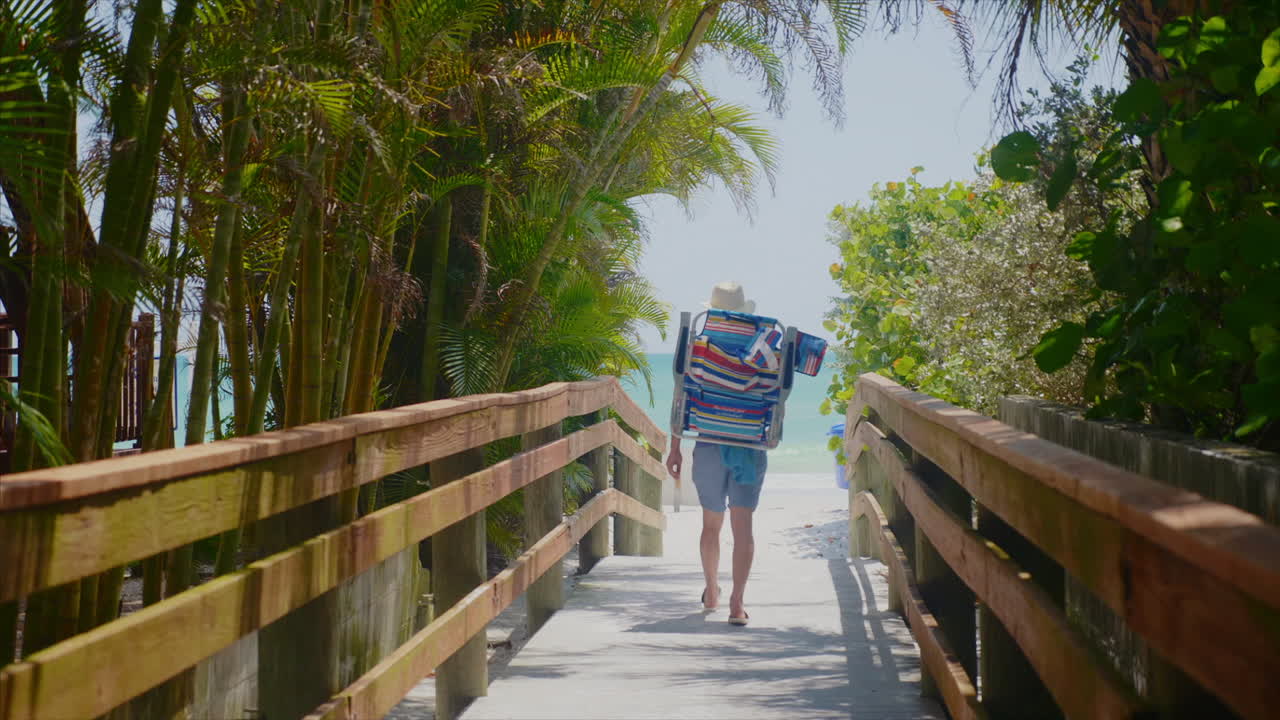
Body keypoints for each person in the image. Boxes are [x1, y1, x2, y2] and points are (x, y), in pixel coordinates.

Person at [665, 281, 768, 626]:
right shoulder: (762, 344)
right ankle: (737, 604)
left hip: (708, 442)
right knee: (744, 528)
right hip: (749, 445)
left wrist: (675, 446)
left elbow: (682, 397)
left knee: (711, 524)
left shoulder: (698, 345)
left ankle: (712, 590)